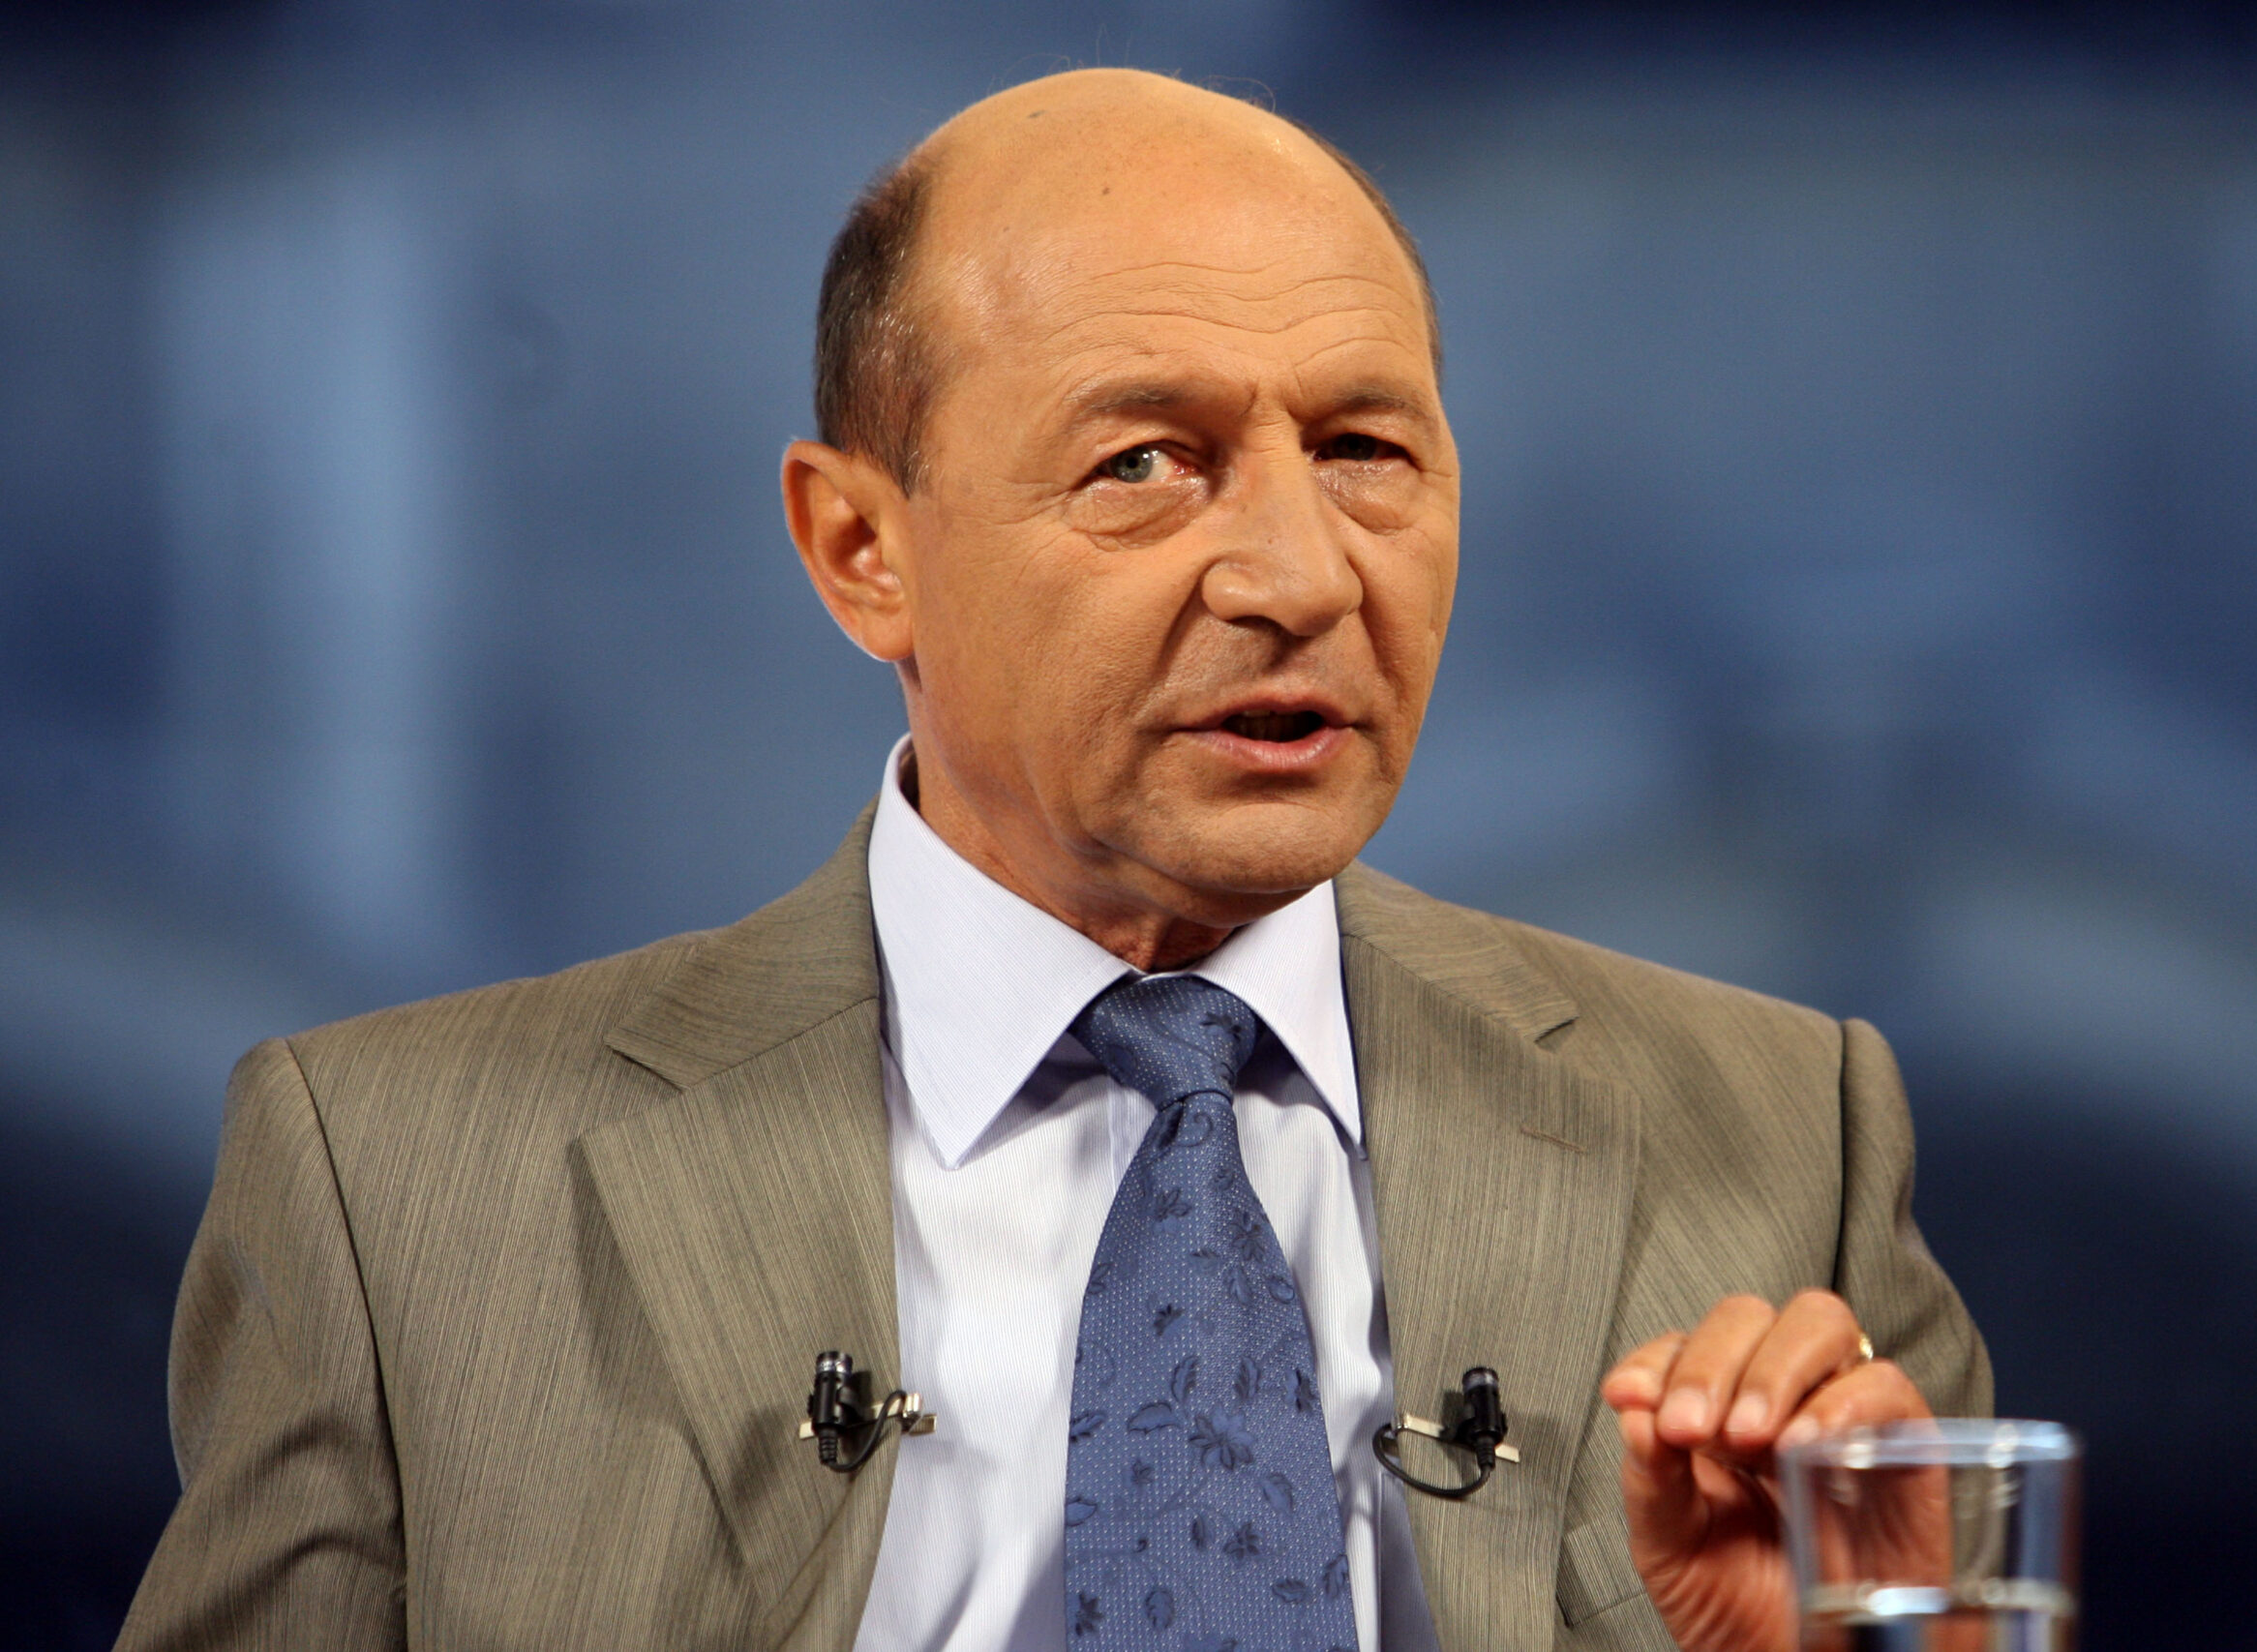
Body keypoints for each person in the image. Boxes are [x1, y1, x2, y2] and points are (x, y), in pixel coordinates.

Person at [117, 68, 1987, 1652]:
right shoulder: (397, 1191)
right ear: (863, 552)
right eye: (1143, 464)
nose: (1301, 577)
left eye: (1363, 448)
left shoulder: (1781, 1139)